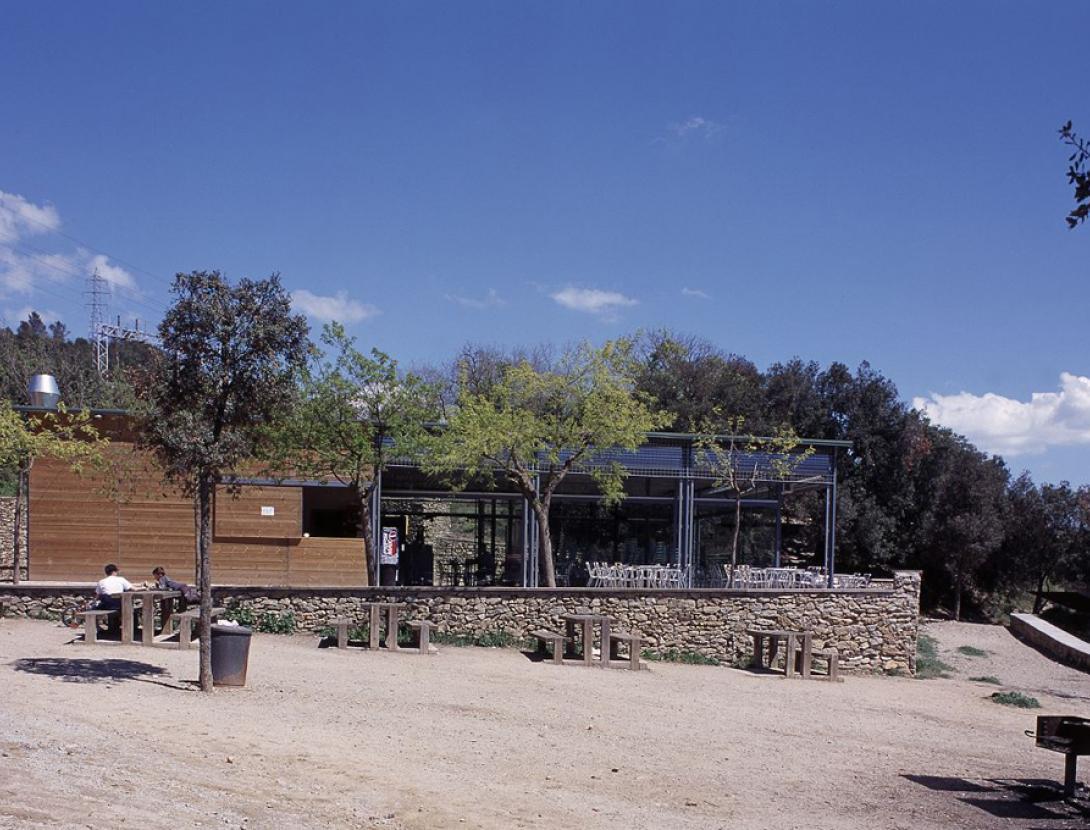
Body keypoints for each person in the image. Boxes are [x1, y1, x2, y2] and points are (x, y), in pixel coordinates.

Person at [152, 567, 199, 632]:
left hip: (182, 589)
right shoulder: (166, 577)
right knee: (182, 608)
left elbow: (162, 588)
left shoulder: (161, 579)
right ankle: (179, 627)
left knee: (182, 609)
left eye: (155, 576)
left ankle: (178, 628)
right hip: (183, 588)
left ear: (159, 575)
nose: (154, 577)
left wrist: (156, 587)